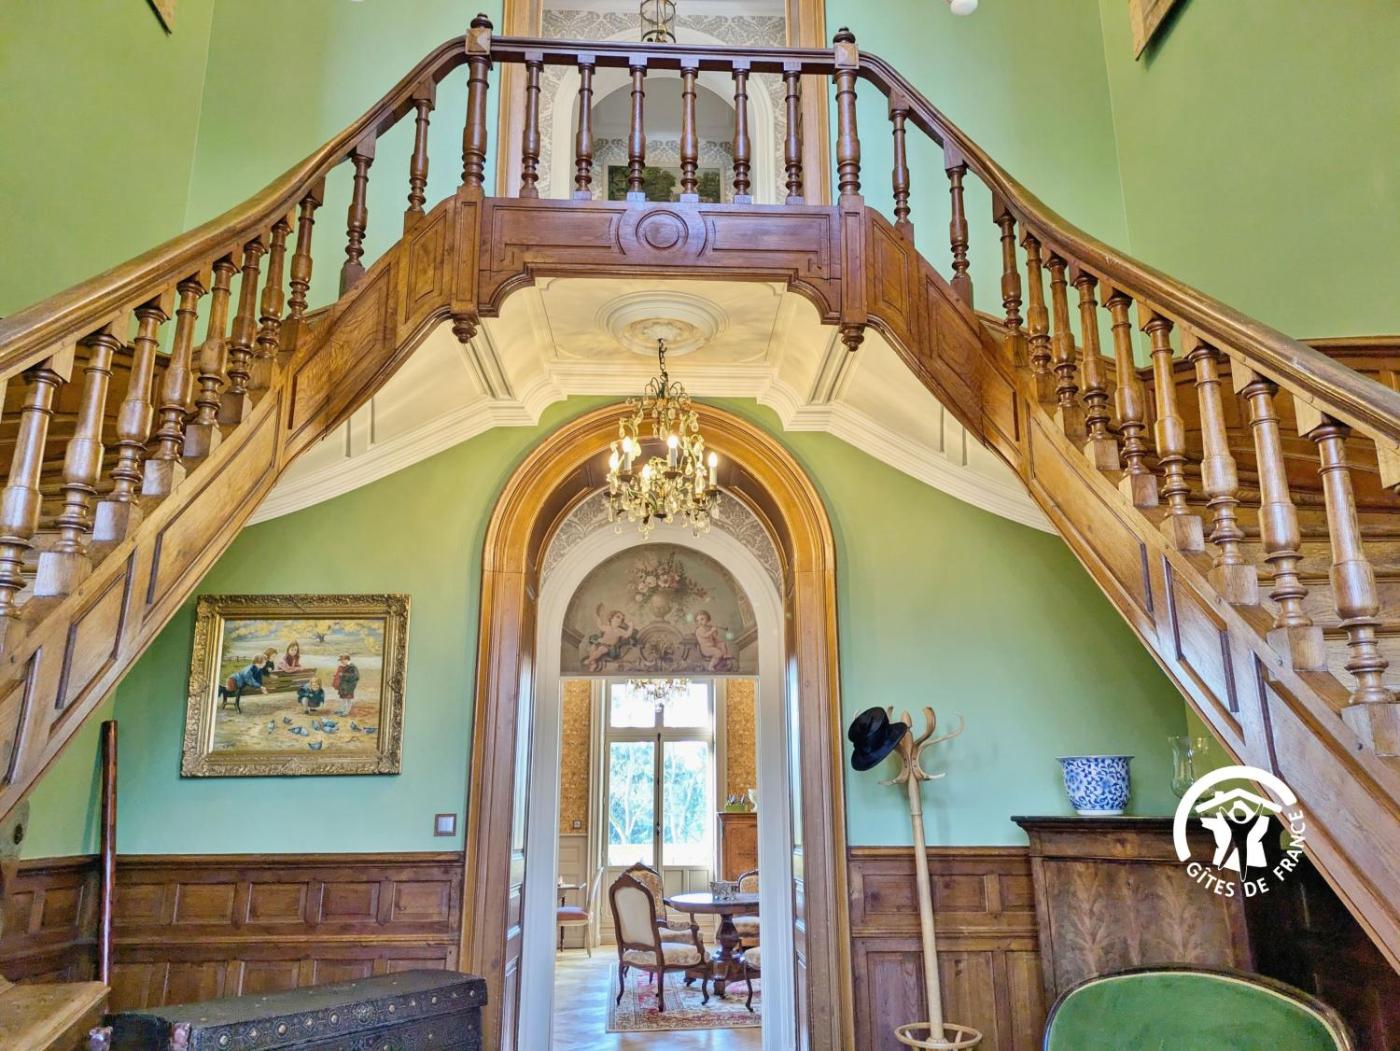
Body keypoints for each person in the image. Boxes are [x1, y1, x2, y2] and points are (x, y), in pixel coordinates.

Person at [584, 604, 637, 672]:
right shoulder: (607, 627)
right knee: (593, 648)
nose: (620, 619)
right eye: (618, 617)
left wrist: (631, 626)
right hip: (602, 643)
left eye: (621, 619)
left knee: (601, 649)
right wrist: (599, 616)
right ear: (611, 618)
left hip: (610, 647)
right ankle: (594, 664)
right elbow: (600, 625)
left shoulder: (619, 631)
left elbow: (627, 634)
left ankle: (589, 660)